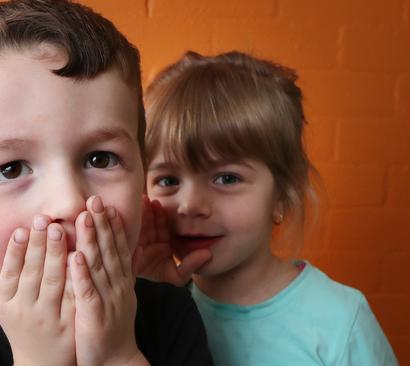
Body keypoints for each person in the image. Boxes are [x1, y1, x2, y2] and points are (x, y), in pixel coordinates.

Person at [0, 1, 213, 365]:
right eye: (11, 169)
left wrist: (116, 356)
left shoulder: (171, 314)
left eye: (100, 159)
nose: (68, 202)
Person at [136, 50, 398, 365]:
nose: (190, 205)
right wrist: (151, 307)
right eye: (168, 180)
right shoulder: (139, 312)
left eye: (227, 178)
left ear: (281, 195)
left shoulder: (340, 321)